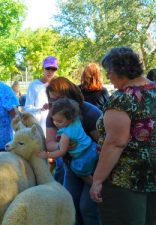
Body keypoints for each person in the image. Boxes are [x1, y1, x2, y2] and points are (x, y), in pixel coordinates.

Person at [90, 47, 156, 225]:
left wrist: (97, 180)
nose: (108, 76)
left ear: (117, 70)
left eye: (108, 71)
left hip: (126, 180)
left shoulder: (122, 99)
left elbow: (115, 143)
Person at [46, 77, 102, 225]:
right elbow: (49, 143)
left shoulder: (90, 113)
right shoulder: (55, 114)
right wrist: (61, 146)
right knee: (70, 204)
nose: (56, 103)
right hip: (71, 165)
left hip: (94, 166)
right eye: (52, 100)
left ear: (71, 94)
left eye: (60, 98)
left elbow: (104, 143)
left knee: (88, 208)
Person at [38, 98, 98, 184]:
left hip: (83, 157)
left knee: (82, 174)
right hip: (93, 148)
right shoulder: (76, 120)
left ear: (70, 119)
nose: (55, 123)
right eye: (53, 120)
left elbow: (62, 151)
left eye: (59, 121)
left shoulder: (66, 134)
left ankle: (95, 187)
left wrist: (47, 155)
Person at [24, 56, 58, 136]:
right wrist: (40, 109)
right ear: (43, 68)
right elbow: (27, 107)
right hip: (39, 129)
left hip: (56, 127)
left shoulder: (58, 85)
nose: (50, 71)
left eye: (53, 69)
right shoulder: (34, 85)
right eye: (48, 68)